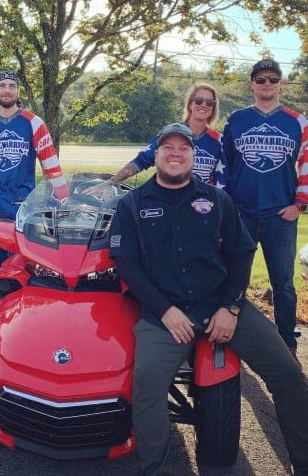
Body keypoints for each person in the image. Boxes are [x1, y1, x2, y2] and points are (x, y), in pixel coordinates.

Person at [108, 123, 308, 476]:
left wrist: (231, 308)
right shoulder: (132, 204)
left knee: (289, 376)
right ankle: (154, 470)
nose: (175, 153)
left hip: (221, 306)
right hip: (165, 316)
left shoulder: (216, 199)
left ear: (192, 156)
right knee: (147, 390)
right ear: (154, 155)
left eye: (183, 148)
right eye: (166, 147)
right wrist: (165, 311)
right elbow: (127, 264)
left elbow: (241, 253)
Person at [222, 58, 308, 357]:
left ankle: (287, 343)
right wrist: (227, 206)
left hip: (280, 216)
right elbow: (226, 164)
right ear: (252, 84)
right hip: (242, 214)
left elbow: (307, 163)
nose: (267, 84)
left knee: (283, 284)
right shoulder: (236, 120)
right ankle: (235, 339)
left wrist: (300, 204)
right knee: (234, 280)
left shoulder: (297, 121)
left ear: (281, 83)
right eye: (261, 79)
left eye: (273, 79)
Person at [0, 70, 68, 307]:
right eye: (2, 85)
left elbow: (51, 165)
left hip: (22, 209)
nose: (7, 90)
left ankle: (19, 325)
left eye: (11, 86)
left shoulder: (34, 123)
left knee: (22, 272)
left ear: (18, 92)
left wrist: (65, 199)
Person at [109, 82, 224, 186]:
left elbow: (225, 176)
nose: (204, 105)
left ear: (213, 108)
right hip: (170, 199)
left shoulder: (220, 140)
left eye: (210, 102)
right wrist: (113, 181)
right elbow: (142, 160)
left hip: (202, 204)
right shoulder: (170, 133)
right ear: (190, 104)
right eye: (199, 100)